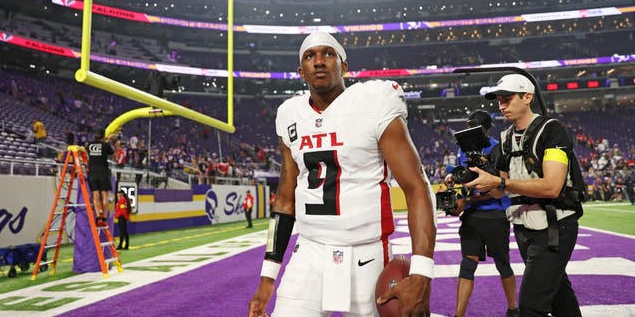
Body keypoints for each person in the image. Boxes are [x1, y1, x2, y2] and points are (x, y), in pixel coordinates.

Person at [248, 32, 437, 317]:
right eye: (310, 56)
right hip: (310, 251)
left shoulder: (374, 100)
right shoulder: (290, 114)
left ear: (344, 66)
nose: (319, 61)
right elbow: (285, 201)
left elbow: (417, 187)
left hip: (368, 252)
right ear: (301, 72)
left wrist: (422, 272)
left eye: (328, 53)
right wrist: (267, 277)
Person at [464, 74, 583, 317]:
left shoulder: (553, 130)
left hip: (554, 226)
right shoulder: (506, 138)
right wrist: (471, 186)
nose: (501, 105)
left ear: (527, 97)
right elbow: (499, 189)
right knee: (561, 300)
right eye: (499, 100)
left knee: (530, 306)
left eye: (507, 99)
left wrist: (499, 181)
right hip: (523, 227)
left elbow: (552, 187)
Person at [444, 110, 518, 317]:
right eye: (469, 128)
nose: (470, 132)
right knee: (467, 265)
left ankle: (513, 309)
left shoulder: (498, 148)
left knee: (503, 264)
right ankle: (458, 315)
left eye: (474, 128)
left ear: (485, 129)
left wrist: (467, 199)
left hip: (495, 214)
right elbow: (463, 177)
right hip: (472, 215)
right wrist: (452, 178)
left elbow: (498, 191)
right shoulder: (463, 149)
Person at [87, 128, 116, 227]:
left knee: (95, 196)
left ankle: (98, 216)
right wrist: (113, 143)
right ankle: (103, 217)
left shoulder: (89, 145)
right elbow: (113, 155)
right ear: (103, 136)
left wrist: (106, 139)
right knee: (105, 196)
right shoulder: (106, 145)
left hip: (93, 172)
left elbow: (98, 145)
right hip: (103, 172)